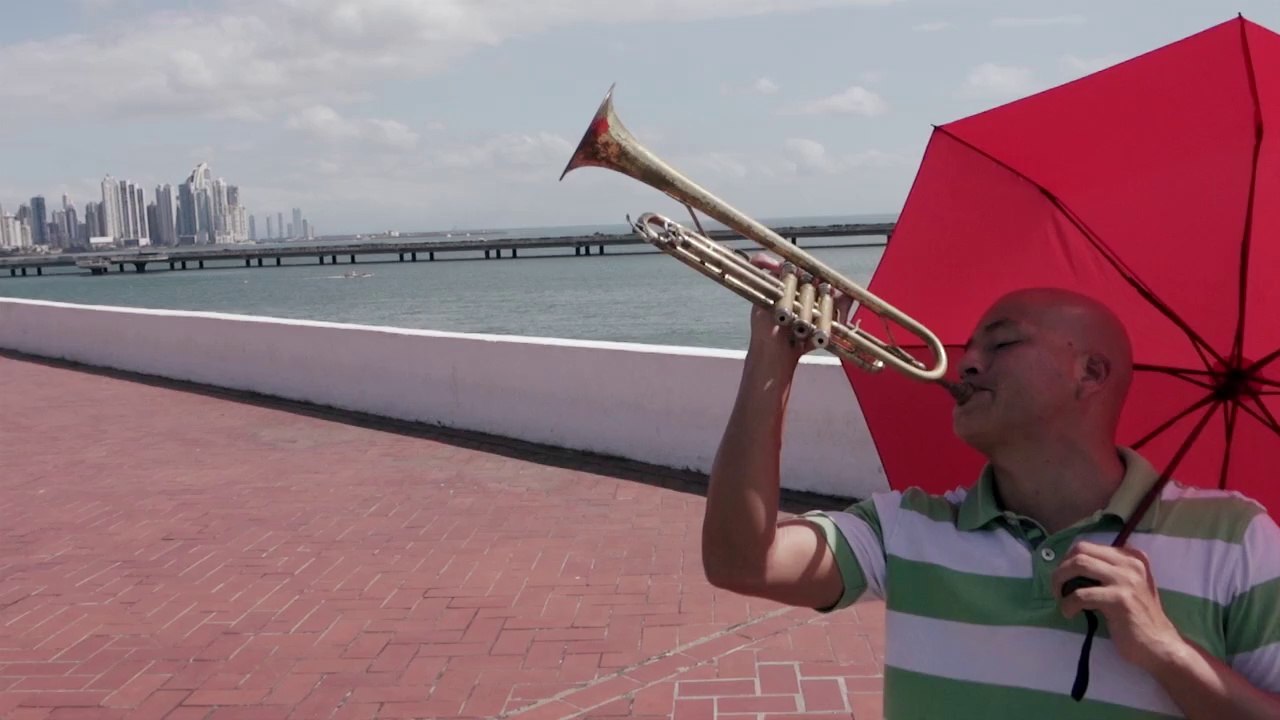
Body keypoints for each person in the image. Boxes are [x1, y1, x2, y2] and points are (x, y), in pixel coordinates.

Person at [701, 272, 1280, 719]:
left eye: (1001, 344)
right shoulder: (907, 526)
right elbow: (743, 562)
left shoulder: (1235, 538)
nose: (967, 361)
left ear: (1091, 372)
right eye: (972, 345)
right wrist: (771, 356)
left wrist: (1166, 650)